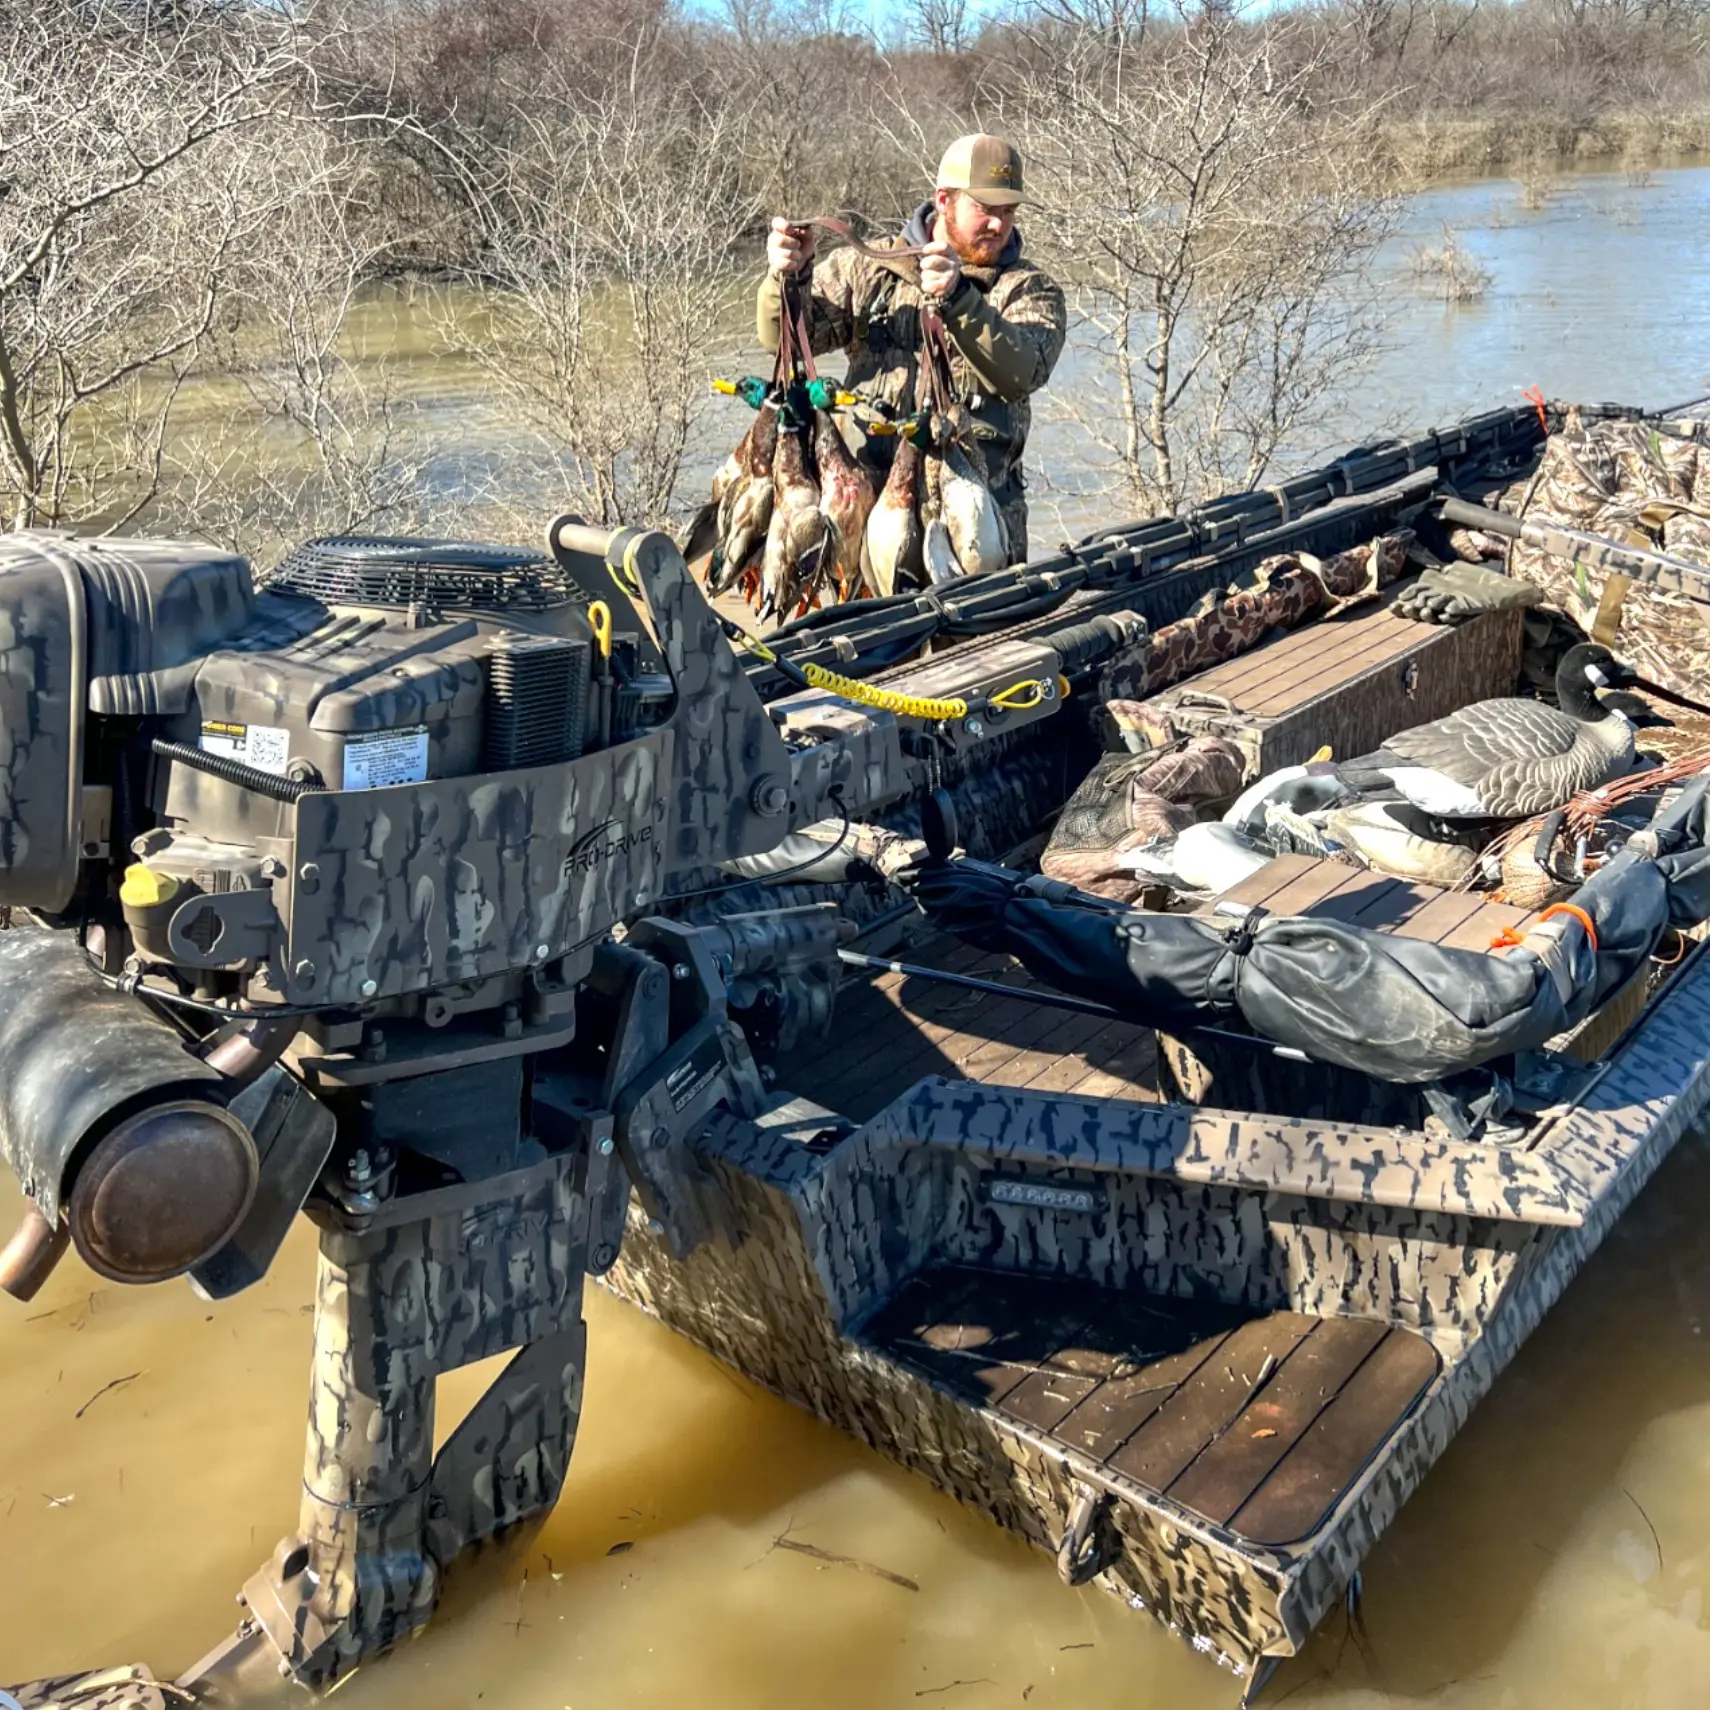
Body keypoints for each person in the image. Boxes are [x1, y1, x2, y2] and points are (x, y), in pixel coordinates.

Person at [758, 133, 1066, 565]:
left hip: (977, 532)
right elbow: (781, 340)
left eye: (1008, 211)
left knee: (979, 634)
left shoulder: (1029, 289)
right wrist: (787, 276)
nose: (999, 224)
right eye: (986, 209)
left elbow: (1022, 373)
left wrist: (959, 298)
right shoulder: (870, 268)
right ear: (943, 200)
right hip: (869, 527)